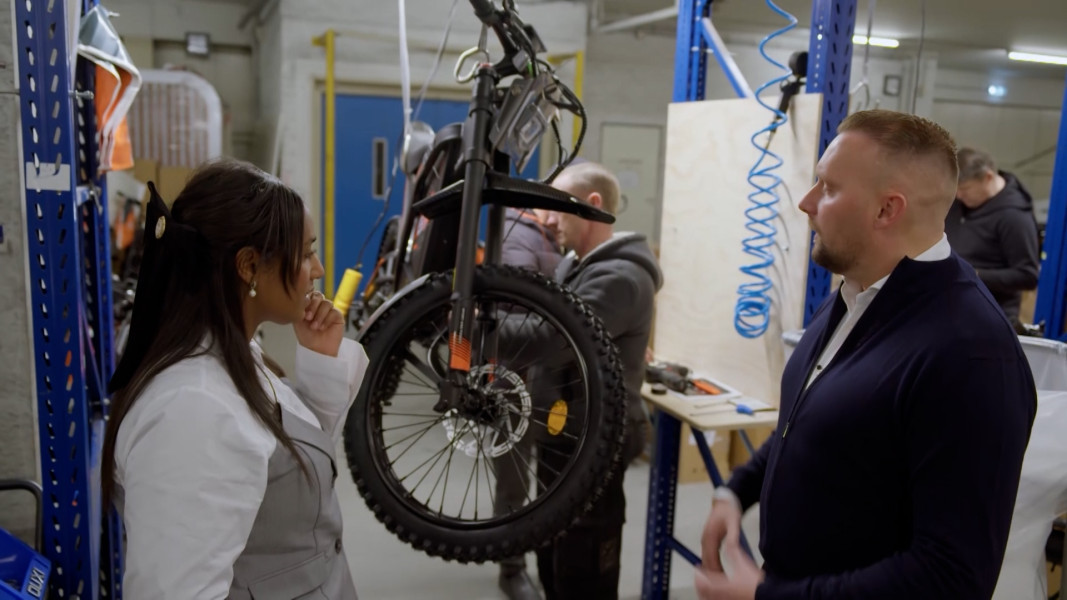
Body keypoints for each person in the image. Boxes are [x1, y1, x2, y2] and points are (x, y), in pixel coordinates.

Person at [697, 110, 1036, 599]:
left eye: (828, 189)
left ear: (886, 210)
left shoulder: (971, 355)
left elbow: (951, 578)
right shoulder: (856, 294)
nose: (805, 202)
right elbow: (820, 417)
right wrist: (739, 489)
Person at [101, 159, 369, 599]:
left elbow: (284, 469)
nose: (317, 269)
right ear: (248, 266)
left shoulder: (234, 355)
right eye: (304, 253)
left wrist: (319, 363)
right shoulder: (193, 412)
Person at [511, 161, 663, 599]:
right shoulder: (575, 266)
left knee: (584, 566)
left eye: (557, 208)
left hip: (596, 441)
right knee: (554, 556)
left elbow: (551, 338)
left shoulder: (620, 277)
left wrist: (481, 330)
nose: (547, 219)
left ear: (592, 205)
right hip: (565, 432)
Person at [495, 206, 563, 600]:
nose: (560, 219)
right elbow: (519, 306)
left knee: (539, 473)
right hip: (514, 374)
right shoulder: (517, 236)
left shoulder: (545, 234)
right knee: (514, 476)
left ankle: (527, 554)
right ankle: (512, 568)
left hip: (544, 374)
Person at [945, 147, 1040, 331]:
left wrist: (973, 274)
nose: (959, 196)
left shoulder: (1014, 217)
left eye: (965, 189)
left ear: (988, 177)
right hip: (949, 311)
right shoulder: (959, 203)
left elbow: (1027, 275)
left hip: (987, 319)